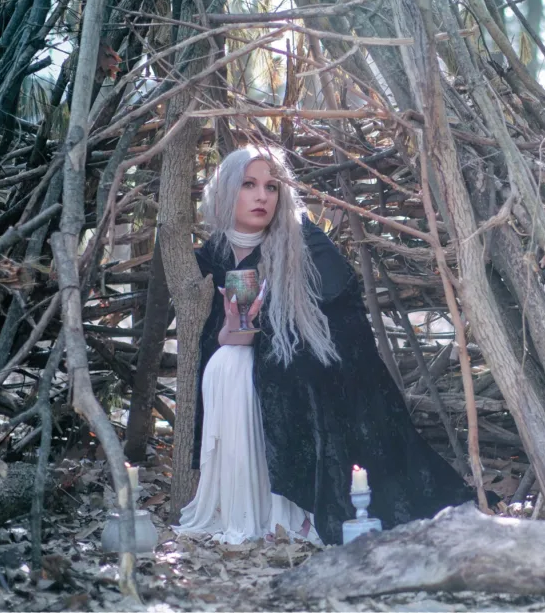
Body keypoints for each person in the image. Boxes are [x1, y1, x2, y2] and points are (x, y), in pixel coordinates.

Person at [174, 146, 475, 545]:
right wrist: (234, 328)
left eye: (271, 186)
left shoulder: (302, 237)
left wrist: (267, 326)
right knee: (227, 362)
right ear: (228, 190)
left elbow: (337, 307)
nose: (262, 196)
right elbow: (225, 335)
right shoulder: (214, 256)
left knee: (287, 370)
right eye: (249, 185)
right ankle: (246, 507)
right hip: (254, 358)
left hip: (322, 364)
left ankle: (303, 511)